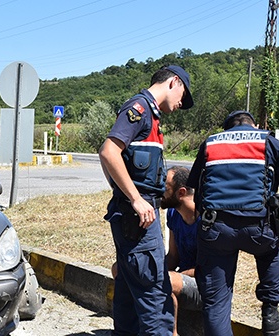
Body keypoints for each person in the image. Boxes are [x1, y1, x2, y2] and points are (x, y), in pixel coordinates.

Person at [187, 110, 279, 336]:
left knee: (216, 303)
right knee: (271, 248)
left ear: (227, 128)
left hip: (215, 229)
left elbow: (195, 193)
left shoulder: (210, 144)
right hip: (258, 228)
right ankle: (270, 314)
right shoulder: (270, 142)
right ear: (255, 125)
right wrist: (277, 217)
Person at [99, 64, 194, 335]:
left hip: (133, 218)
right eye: (182, 96)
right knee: (155, 297)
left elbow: (107, 155)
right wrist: (134, 198)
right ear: (174, 82)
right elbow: (108, 152)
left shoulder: (149, 116)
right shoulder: (139, 110)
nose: (180, 104)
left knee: (129, 293)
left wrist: (123, 193)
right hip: (139, 219)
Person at [162, 166, 202, 335]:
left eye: (165, 188)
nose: (159, 192)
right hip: (180, 279)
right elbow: (173, 256)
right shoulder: (173, 213)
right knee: (123, 269)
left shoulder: (205, 219)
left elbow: (206, 268)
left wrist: (173, 276)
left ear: (181, 192)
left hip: (206, 287)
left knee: (167, 281)